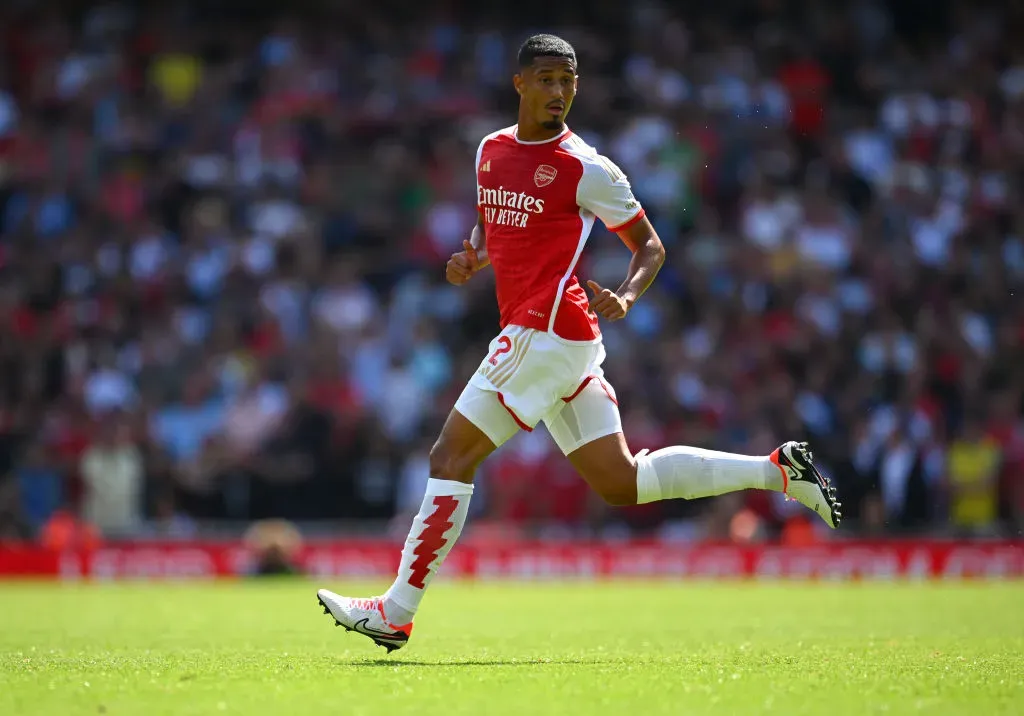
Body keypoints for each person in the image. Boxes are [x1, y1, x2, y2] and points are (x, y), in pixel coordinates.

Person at [317, 34, 841, 652]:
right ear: (519, 84)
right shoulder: (490, 152)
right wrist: (473, 259)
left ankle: (397, 610)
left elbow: (650, 245)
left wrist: (626, 294)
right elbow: (497, 225)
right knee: (622, 482)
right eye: (545, 79)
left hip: (545, 331)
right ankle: (778, 470)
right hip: (561, 341)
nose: (558, 92)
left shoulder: (587, 167)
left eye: (567, 81)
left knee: (448, 458)